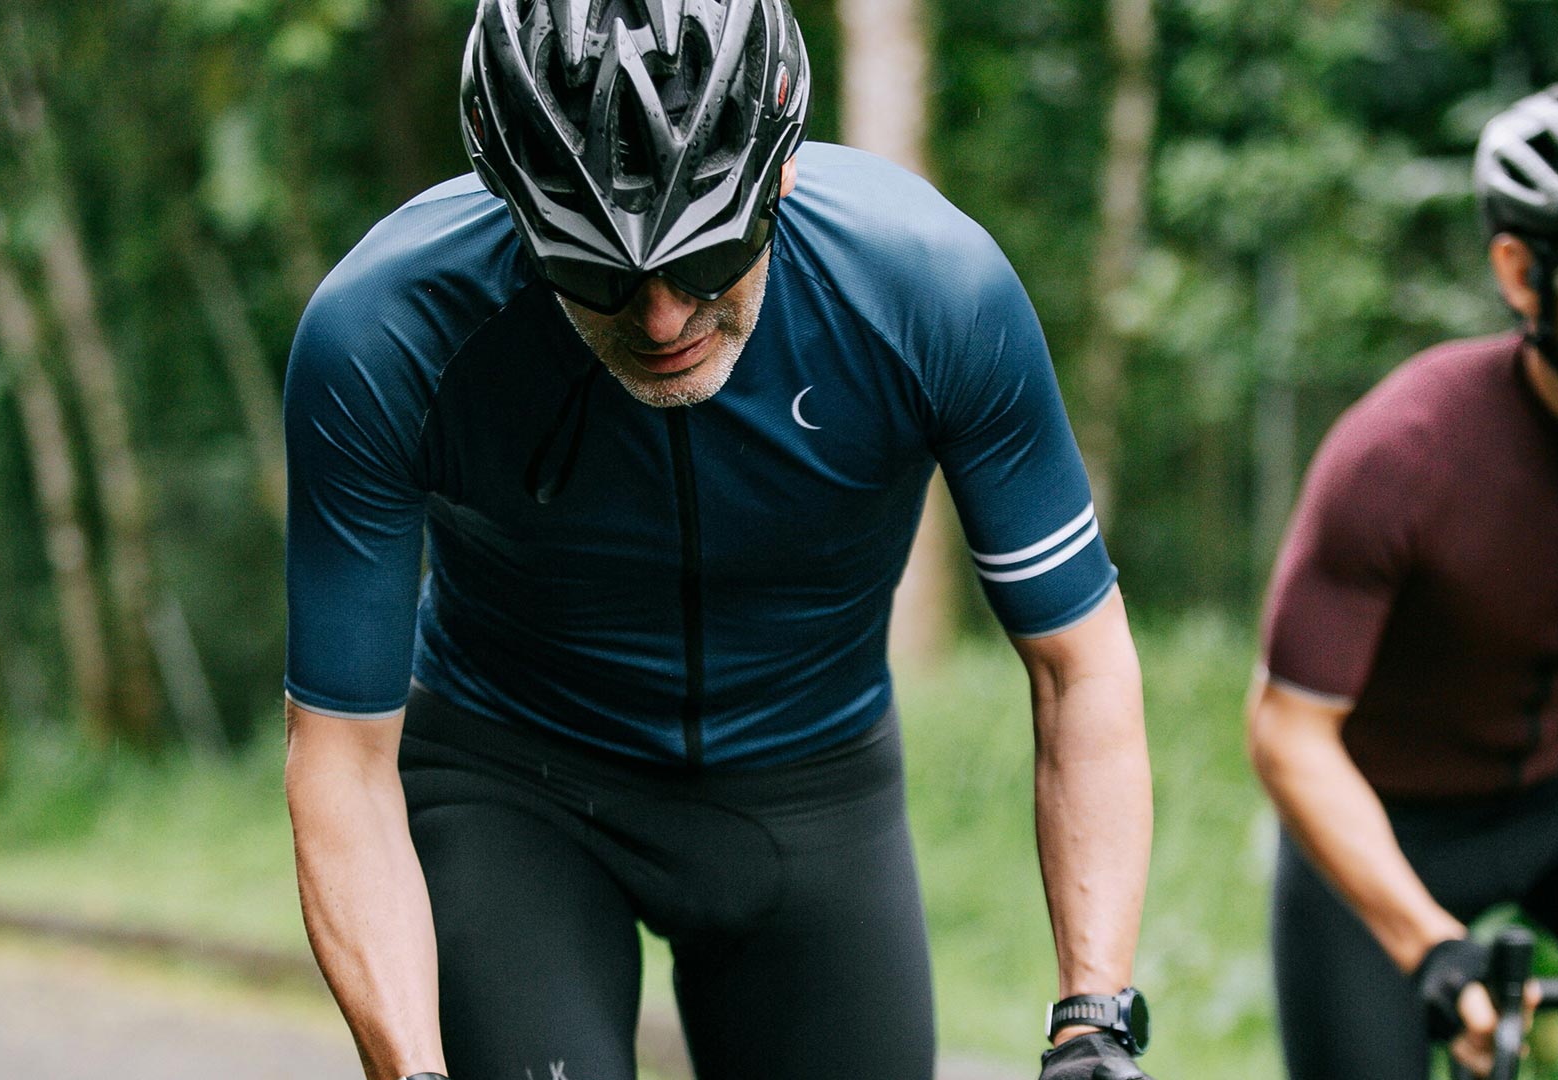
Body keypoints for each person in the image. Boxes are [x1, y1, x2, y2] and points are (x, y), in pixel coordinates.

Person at [280, 0, 1157, 1077]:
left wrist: (1094, 1015)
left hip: (813, 793)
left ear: (781, 173)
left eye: (705, 254)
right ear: (513, 210)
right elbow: (340, 757)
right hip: (515, 786)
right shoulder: (384, 334)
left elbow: (1081, 668)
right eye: (595, 271)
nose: (658, 318)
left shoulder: (931, 289)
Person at [1248, 76, 1558, 1080]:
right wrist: (1426, 942)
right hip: (1379, 829)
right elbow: (1286, 732)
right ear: (1520, 272)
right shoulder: (1402, 452)